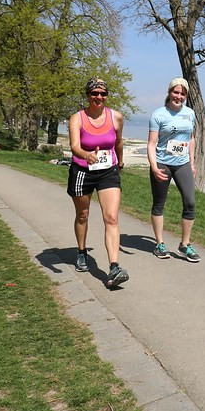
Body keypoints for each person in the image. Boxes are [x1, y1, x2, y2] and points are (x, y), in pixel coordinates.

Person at [67, 77, 128, 288]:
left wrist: (120, 162)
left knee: (111, 217)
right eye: (94, 93)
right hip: (82, 170)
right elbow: (74, 146)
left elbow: (118, 142)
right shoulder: (77, 118)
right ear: (88, 95)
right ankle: (82, 252)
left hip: (107, 172)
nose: (99, 97)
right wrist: (86, 155)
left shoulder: (116, 117)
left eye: (103, 94)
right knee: (83, 215)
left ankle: (114, 267)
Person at [147, 78, 200, 263]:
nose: (179, 96)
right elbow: (152, 143)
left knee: (190, 202)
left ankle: (185, 245)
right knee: (159, 203)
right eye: (176, 92)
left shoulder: (190, 113)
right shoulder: (158, 114)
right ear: (169, 92)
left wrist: (192, 163)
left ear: (186, 96)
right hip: (162, 163)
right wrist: (154, 167)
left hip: (182, 163)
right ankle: (159, 243)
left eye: (182, 93)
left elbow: (191, 139)